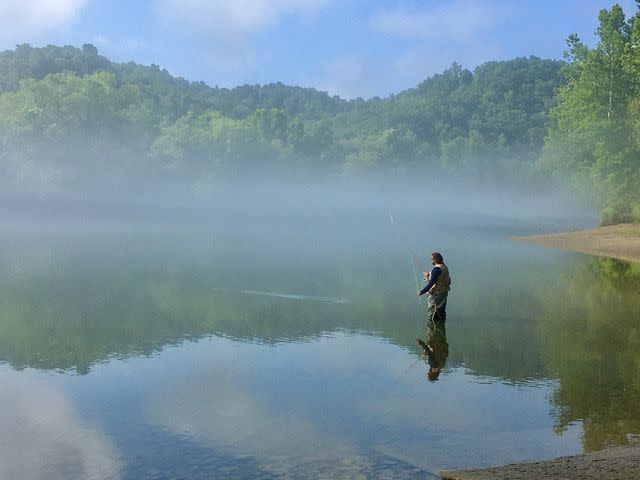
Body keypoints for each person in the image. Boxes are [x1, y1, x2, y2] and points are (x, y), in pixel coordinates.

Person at [416, 252, 451, 322]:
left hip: (436, 295)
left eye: (432, 259)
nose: (431, 261)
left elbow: (431, 283)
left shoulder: (436, 269)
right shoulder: (444, 266)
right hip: (444, 292)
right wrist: (429, 275)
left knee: (432, 313)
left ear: (435, 260)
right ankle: (441, 323)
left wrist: (421, 292)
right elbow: (440, 277)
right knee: (441, 311)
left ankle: (432, 328)